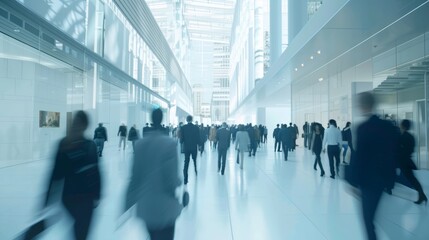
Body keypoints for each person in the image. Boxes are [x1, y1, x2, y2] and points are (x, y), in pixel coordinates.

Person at [125, 108, 182, 240]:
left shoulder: (140, 144)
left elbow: (134, 177)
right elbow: (171, 179)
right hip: (165, 206)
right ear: (161, 119)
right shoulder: (170, 144)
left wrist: (128, 202)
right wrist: (179, 183)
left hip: (146, 205)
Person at [46, 111, 102, 240]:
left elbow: (55, 174)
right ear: (86, 125)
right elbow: (96, 172)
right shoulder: (87, 145)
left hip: (71, 197)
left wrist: (48, 199)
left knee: (80, 230)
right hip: (83, 197)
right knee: (81, 231)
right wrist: (98, 194)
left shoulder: (66, 144)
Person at [353, 92, 397, 240]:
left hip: (368, 181)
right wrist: (390, 180)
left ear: (363, 105)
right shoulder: (388, 126)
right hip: (383, 179)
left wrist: (355, 182)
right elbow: (392, 153)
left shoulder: (363, 128)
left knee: (368, 220)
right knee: (373, 218)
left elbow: (360, 157)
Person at [398, 119, 427, 204]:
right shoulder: (411, 137)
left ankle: (422, 195)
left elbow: (400, 150)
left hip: (404, 162)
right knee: (412, 179)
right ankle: (422, 195)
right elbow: (410, 149)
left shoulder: (403, 137)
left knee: (412, 179)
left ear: (403, 126)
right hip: (408, 161)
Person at [180, 115, 200, 185]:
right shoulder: (196, 127)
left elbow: (181, 139)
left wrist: (182, 142)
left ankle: (185, 179)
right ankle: (195, 170)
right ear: (192, 120)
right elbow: (198, 138)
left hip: (187, 148)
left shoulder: (183, 128)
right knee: (194, 160)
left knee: (186, 162)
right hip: (194, 147)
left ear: (186, 119)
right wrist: (199, 145)